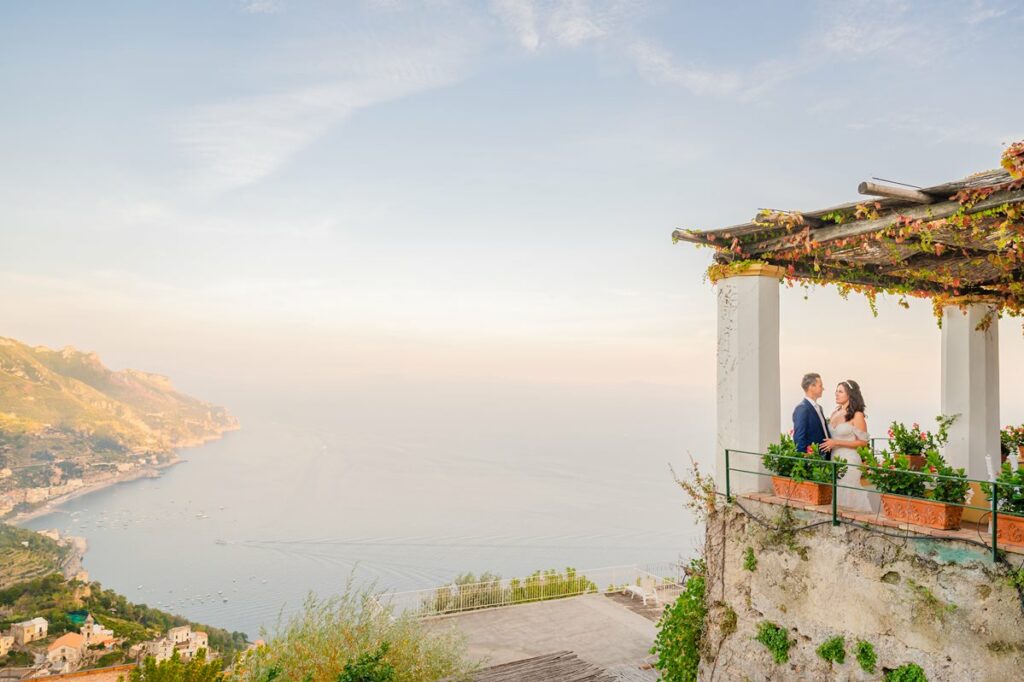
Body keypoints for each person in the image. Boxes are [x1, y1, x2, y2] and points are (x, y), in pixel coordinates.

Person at [822, 380, 873, 512]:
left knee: (849, 498)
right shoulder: (835, 413)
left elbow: (863, 443)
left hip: (849, 461)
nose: (836, 394)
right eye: (836, 391)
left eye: (840, 391)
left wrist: (836, 443)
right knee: (837, 497)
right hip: (834, 460)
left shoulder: (857, 415)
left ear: (850, 394)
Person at [792, 373, 831, 458]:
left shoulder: (819, 408)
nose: (823, 389)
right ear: (811, 387)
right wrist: (804, 460)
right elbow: (799, 437)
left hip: (826, 457)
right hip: (813, 459)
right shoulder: (802, 408)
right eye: (820, 386)